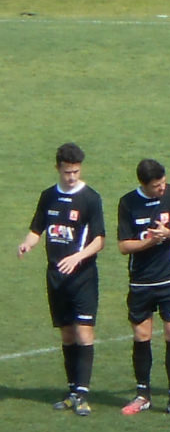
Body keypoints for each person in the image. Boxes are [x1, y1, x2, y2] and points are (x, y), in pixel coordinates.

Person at [18, 143, 106, 416]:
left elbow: (100, 240)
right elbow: (37, 228)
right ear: (58, 168)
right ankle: (72, 391)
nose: (72, 177)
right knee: (67, 334)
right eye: (67, 172)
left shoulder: (90, 198)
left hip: (82, 277)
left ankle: (83, 393)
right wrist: (27, 243)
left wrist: (77, 257)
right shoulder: (48, 197)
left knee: (83, 332)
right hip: (55, 277)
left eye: (76, 171)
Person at [116, 158, 170, 417]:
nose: (162, 189)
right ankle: (143, 395)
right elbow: (124, 246)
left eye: (163, 183)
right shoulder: (128, 202)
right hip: (141, 281)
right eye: (156, 186)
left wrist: (168, 234)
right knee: (142, 336)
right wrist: (150, 242)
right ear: (144, 184)